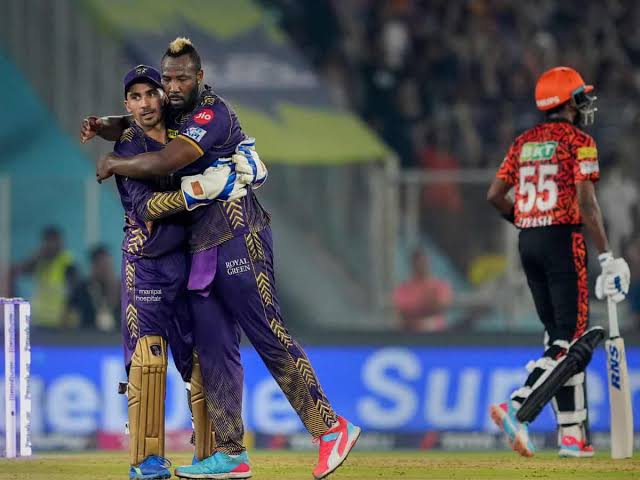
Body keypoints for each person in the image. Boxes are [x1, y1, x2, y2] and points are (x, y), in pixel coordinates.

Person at [86, 37, 360, 480]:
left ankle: (330, 428)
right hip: (199, 249)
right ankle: (231, 453)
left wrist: (115, 164)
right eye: (168, 79)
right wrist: (105, 125)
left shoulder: (212, 113)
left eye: (182, 78)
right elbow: (137, 120)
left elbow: (166, 160)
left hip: (238, 233)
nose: (173, 86)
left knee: (266, 331)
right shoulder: (173, 110)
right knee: (214, 346)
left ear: (200, 77)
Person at [110, 64, 247, 480]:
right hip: (148, 265)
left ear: (162, 96)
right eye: (135, 97)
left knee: (202, 358)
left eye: (150, 93)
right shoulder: (128, 149)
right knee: (149, 358)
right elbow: (146, 207)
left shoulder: (182, 132)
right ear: (128, 103)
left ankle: (212, 453)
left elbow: (221, 139)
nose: (145, 103)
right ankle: (146, 460)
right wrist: (198, 192)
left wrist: (248, 160)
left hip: (190, 261)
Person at [487, 66, 630, 458]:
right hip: (563, 240)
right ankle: (518, 406)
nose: (586, 105)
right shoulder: (580, 142)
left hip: (528, 242)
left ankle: (571, 436)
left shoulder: (523, 142)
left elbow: (495, 195)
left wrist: (526, 220)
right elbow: (587, 203)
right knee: (568, 343)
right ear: (570, 102)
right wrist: (607, 255)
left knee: (559, 340)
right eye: (581, 97)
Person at [11, 226, 74, 328]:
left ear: (61, 243)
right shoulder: (39, 261)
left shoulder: (68, 263)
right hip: (39, 320)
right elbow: (17, 271)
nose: (51, 246)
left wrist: (67, 316)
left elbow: (73, 292)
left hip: (59, 322)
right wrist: (35, 256)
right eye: (48, 242)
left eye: (54, 242)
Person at [392, 249, 452, 331]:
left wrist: (418, 309)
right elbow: (403, 312)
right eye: (418, 263)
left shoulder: (440, 286)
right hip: (411, 333)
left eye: (423, 262)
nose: (420, 266)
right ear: (412, 264)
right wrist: (426, 305)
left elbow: (440, 307)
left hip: (436, 333)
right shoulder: (403, 289)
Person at [65, 245, 120, 330]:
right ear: (94, 266)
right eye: (103, 267)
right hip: (87, 335)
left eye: (109, 266)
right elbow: (68, 317)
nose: (107, 271)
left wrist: (113, 288)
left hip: (114, 336)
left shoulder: (121, 290)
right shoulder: (82, 289)